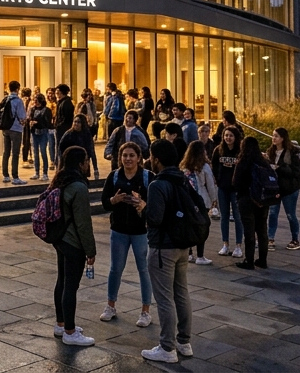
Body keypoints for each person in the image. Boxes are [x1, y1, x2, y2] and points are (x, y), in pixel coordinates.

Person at [139, 139, 197, 362]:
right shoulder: (182, 179)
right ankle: (184, 342)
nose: (149, 160)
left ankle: (167, 348)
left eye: (151, 156)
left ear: (157, 159)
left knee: (164, 299)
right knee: (181, 293)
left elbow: (154, 218)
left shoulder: (158, 184)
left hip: (162, 247)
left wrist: (143, 208)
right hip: (182, 244)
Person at [100, 142, 153, 326]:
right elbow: (104, 202)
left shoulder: (147, 177)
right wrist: (114, 200)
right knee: (115, 268)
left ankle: (145, 311)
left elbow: (156, 204)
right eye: (125, 155)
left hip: (140, 231)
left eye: (131, 155)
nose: (128, 159)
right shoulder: (114, 176)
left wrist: (143, 204)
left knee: (144, 269)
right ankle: (110, 305)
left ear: (139, 158)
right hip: (119, 229)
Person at [50, 146, 97, 346]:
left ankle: (61, 324)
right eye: (86, 160)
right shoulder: (78, 187)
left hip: (60, 238)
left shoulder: (60, 180)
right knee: (71, 286)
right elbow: (83, 223)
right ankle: (69, 332)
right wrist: (90, 250)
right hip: (73, 242)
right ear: (80, 163)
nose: (88, 164)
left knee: (62, 281)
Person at [232, 137, 273, 269]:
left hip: (246, 199)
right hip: (262, 200)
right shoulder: (263, 162)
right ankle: (262, 260)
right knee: (262, 230)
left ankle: (249, 260)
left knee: (249, 231)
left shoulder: (243, 162)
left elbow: (235, 182)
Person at [268, 127, 300, 251]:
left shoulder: (292, 153)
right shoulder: (270, 151)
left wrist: (278, 168)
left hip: (289, 188)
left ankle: (295, 239)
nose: (274, 138)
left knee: (290, 214)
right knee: (272, 213)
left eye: (276, 136)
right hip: (275, 188)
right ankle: (270, 238)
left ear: (283, 138)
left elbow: (295, 172)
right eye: (273, 135)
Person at [180, 140, 216, 265]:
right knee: (202, 226)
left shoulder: (184, 166)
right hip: (202, 200)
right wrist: (214, 199)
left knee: (189, 226)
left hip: (188, 200)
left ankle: (189, 253)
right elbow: (210, 184)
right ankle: (200, 255)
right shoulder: (204, 167)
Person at [210, 128, 242, 258]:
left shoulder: (240, 151)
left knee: (238, 217)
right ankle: (225, 244)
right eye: (226, 135)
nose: (228, 138)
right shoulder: (218, 150)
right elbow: (214, 166)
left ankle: (238, 245)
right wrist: (218, 180)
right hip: (222, 188)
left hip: (236, 189)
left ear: (236, 137)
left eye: (231, 135)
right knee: (224, 216)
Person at [0, 80, 28, 185]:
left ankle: (6, 175)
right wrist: (23, 123)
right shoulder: (18, 101)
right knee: (15, 153)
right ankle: (15, 176)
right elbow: (22, 116)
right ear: (17, 89)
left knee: (6, 152)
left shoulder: (5, 99)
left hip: (6, 128)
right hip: (16, 129)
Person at [29, 92, 55, 182]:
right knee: (35, 153)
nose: (35, 102)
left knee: (43, 152)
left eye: (36, 100)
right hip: (34, 133)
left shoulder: (47, 110)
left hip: (43, 133)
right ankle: (36, 172)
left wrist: (38, 122)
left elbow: (48, 123)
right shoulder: (33, 109)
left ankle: (45, 173)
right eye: (34, 100)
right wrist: (31, 122)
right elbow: (30, 118)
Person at [60, 114, 97, 178]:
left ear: (83, 123)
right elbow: (61, 149)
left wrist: (95, 169)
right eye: (75, 122)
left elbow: (91, 151)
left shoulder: (86, 134)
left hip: (82, 163)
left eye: (79, 122)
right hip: (70, 163)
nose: (76, 124)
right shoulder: (68, 134)